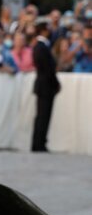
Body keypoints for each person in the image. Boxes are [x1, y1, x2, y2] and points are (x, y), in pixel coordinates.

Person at [31, 20, 61, 152]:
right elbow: (47, 69)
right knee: (42, 116)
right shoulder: (41, 47)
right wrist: (56, 83)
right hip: (45, 87)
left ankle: (40, 142)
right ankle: (38, 144)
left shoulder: (41, 46)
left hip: (45, 87)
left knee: (43, 116)